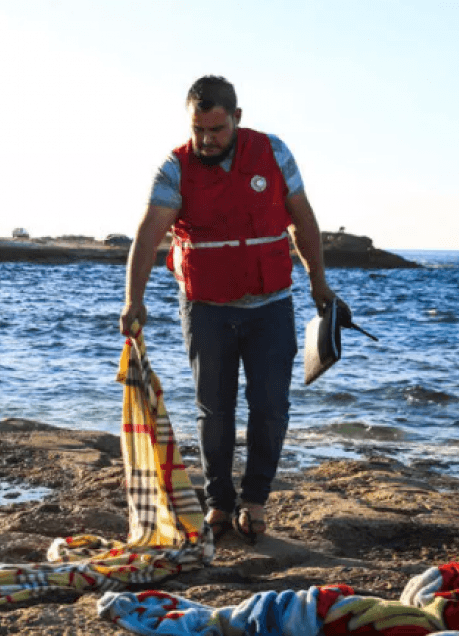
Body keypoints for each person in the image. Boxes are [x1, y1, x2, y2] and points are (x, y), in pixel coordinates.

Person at [119, 75, 336, 545]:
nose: (206, 140)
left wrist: (319, 282)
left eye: (215, 130)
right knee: (213, 409)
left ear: (237, 118)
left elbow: (303, 220)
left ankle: (254, 500)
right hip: (206, 309)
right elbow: (147, 235)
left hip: (271, 306)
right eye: (198, 129)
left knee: (270, 407)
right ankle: (219, 502)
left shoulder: (273, 154)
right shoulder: (175, 168)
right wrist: (133, 301)